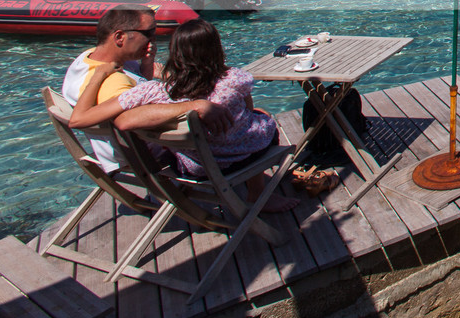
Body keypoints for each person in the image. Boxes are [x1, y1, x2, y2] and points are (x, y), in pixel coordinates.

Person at [69, 19, 294, 209]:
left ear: (176, 53)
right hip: (237, 161)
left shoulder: (154, 92)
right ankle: (257, 195)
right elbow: (247, 112)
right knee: (261, 118)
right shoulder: (236, 78)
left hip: (194, 167)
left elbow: (90, 120)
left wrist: (99, 75)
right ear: (217, 49)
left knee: (252, 119)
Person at [61, 5, 197, 171]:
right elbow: (136, 120)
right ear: (119, 37)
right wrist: (195, 105)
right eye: (148, 34)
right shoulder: (113, 83)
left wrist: (146, 66)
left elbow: (135, 92)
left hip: (128, 152)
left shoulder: (88, 59)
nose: (153, 40)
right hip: (157, 158)